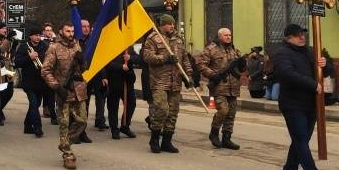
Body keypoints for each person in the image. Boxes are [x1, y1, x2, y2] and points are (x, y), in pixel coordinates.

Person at [271, 23, 329, 170]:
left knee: (300, 140)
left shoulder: (310, 51)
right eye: (298, 35)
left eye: (303, 34)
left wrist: (325, 64)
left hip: (311, 104)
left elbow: (327, 71)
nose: (302, 37)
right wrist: (312, 85)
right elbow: (286, 74)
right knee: (301, 140)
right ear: (289, 38)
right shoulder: (282, 53)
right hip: (292, 104)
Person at [141, 14, 194, 154]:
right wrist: (165, 58)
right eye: (169, 24)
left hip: (175, 82)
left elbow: (185, 60)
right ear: (162, 25)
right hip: (159, 82)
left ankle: (167, 141)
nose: (172, 26)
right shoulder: (153, 38)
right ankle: (154, 138)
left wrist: (189, 76)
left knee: (173, 112)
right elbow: (147, 56)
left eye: (173, 24)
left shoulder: (178, 40)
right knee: (162, 110)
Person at [41, 21, 87, 170]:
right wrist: (56, 86)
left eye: (72, 31)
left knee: (82, 121)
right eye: (68, 31)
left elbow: (83, 69)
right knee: (64, 123)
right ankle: (68, 154)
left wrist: (82, 61)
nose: (71, 34)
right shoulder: (54, 48)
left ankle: (64, 143)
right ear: (61, 31)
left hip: (79, 90)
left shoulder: (77, 45)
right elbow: (45, 70)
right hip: (63, 91)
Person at [197, 27, 246, 150]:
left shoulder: (235, 50)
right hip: (219, 86)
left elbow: (242, 68)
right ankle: (214, 133)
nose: (229, 37)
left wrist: (243, 63)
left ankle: (227, 138)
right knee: (223, 110)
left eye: (230, 35)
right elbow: (200, 64)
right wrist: (213, 75)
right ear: (219, 36)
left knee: (231, 113)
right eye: (226, 35)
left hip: (233, 87)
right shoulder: (211, 49)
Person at [13, 25, 48, 138]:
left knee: (36, 105)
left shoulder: (45, 46)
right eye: (36, 35)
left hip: (41, 81)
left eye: (39, 35)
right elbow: (17, 62)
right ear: (30, 36)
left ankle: (27, 125)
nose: (38, 38)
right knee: (33, 103)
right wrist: (29, 57)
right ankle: (37, 127)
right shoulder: (24, 46)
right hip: (29, 81)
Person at [105, 46, 139, 140]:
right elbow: (106, 64)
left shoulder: (128, 47)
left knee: (131, 104)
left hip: (127, 82)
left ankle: (125, 126)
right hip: (114, 81)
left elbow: (139, 59)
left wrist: (130, 58)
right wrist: (120, 67)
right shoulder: (111, 46)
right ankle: (114, 129)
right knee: (113, 107)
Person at [40, 22, 58, 124]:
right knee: (47, 92)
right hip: (46, 69)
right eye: (47, 30)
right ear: (44, 32)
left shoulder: (56, 40)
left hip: (55, 70)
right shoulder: (42, 42)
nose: (49, 32)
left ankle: (52, 112)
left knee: (52, 92)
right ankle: (47, 109)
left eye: (50, 30)